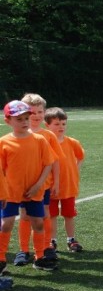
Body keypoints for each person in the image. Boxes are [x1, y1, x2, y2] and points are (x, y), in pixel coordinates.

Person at [0, 100, 55, 272]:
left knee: (38, 223)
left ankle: (39, 257)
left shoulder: (39, 140)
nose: (24, 122)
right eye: (19, 119)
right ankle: (1, 259)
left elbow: (48, 164)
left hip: (34, 192)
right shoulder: (3, 142)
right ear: (8, 121)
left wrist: (39, 185)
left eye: (26, 118)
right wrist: (2, 193)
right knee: (6, 224)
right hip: (11, 192)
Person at [15, 93, 64, 266]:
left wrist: (56, 182)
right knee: (25, 216)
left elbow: (55, 161)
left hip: (44, 185)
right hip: (22, 186)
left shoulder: (48, 136)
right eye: (32, 112)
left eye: (40, 111)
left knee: (44, 215)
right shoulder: (17, 134)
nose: (36, 116)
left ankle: (45, 247)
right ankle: (23, 250)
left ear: (44, 113)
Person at [44, 107, 85, 253]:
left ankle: (71, 239)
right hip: (50, 186)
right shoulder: (45, 143)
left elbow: (81, 156)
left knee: (69, 214)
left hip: (68, 186)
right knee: (52, 215)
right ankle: (52, 240)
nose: (61, 127)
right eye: (56, 124)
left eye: (63, 123)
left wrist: (75, 170)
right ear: (47, 125)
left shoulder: (72, 142)